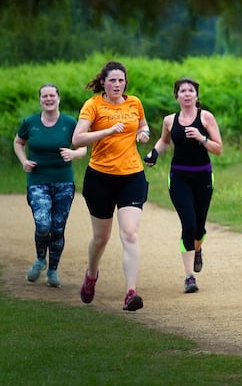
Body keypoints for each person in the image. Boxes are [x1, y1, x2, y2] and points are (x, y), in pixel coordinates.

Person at [72, 60, 151, 312]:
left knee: (129, 232)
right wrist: (106, 131)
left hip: (132, 175)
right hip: (100, 178)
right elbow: (77, 139)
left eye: (121, 80)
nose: (117, 84)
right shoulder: (93, 105)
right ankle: (92, 274)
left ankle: (130, 293)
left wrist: (143, 133)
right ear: (103, 82)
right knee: (101, 237)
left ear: (126, 81)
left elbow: (142, 124)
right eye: (112, 80)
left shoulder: (134, 102)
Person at [143, 77, 223, 294]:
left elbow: (218, 149)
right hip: (178, 178)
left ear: (197, 95)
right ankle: (189, 276)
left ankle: (197, 249)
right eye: (182, 91)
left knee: (199, 228)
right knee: (188, 224)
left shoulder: (206, 117)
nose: (187, 94)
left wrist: (201, 138)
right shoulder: (170, 120)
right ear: (176, 95)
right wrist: (154, 153)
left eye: (191, 91)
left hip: (203, 177)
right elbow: (165, 141)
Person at [14, 83, 87, 288]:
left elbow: (83, 148)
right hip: (38, 181)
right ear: (40, 100)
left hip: (64, 181)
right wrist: (23, 161)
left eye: (52, 95)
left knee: (57, 228)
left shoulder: (69, 122)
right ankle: (40, 259)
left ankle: (53, 270)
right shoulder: (30, 122)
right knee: (43, 224)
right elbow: (18, 142)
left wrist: (73, 153)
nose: (48, 99)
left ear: (58, 98)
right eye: (44, 96)